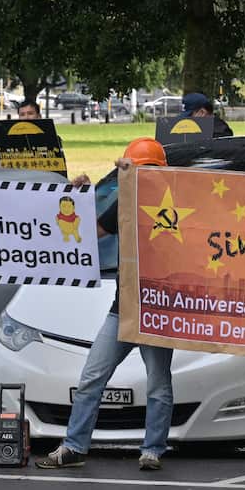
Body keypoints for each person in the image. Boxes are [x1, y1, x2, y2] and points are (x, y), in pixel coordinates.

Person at [36, 138, 177, 472]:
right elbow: (86, 231)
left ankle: (149, 449)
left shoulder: (171, 203)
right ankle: (79, 446)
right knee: (97, 377)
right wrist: (76, 197)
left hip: (155, 307)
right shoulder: (125, 203)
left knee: (154, 381)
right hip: (128, 306)